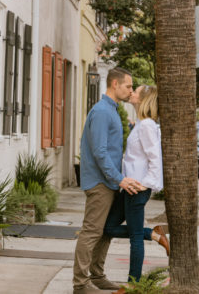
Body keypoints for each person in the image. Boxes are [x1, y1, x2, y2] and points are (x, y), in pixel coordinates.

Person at [73, 68, 144, 294]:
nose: (130, 91)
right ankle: (81, 284)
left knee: (105, 231)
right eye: (128, 86)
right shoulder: (102, 111)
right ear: (115, 84)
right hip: (100, 183)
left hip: (110, 182)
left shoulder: (111, 110)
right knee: (92, 232)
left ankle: (97, 276)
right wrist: (120, 179)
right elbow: (100, 152)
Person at [104, 85, 170, 283]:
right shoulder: (141, 123)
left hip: (137, 190)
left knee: (135, 239)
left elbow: (155, 158)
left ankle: (133, 284)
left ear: (144, 99)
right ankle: (154, 234)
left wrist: (146, 184)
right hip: (128, 187)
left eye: (136, 91)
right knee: (108, 227)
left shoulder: (148, 125)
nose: (131, 92)